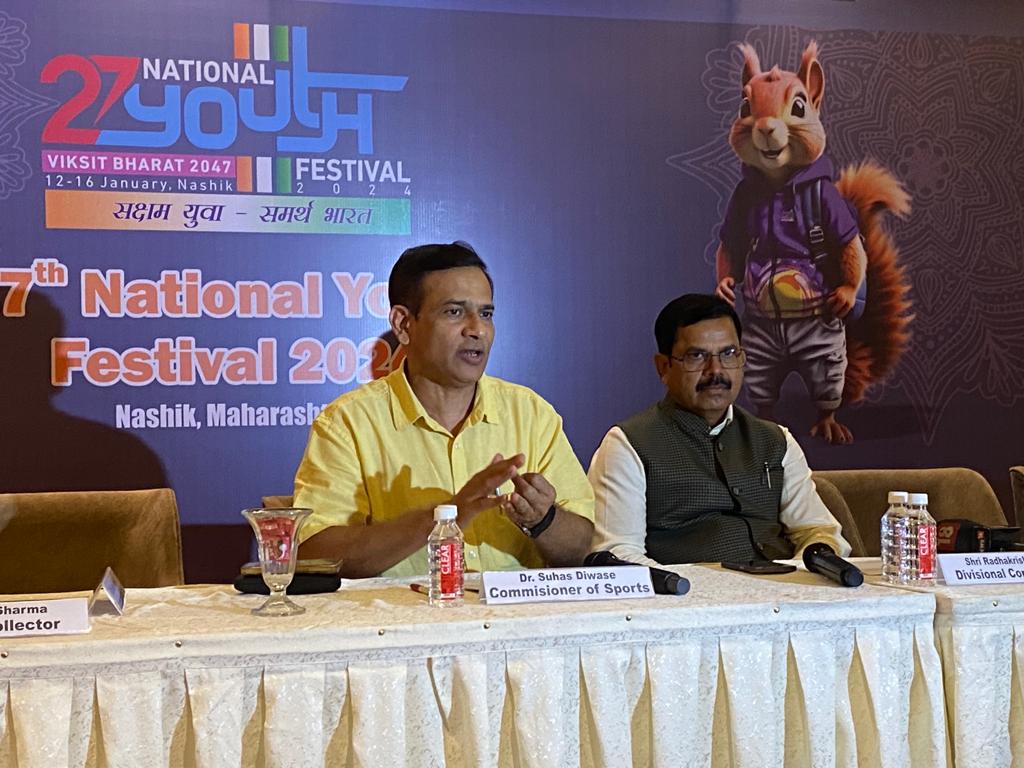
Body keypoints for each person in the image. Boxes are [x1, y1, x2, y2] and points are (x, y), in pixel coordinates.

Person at [294, 241, 594, 577]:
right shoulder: (347, 423)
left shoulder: (531, 414)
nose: (477, 330)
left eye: (486, 314)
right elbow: (315, 554)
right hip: (403, 610)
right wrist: (448, 514)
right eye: (454, 312)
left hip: (511, 610)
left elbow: (582, 546)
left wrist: (543, 520)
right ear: (403, 324)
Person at [588, 293, 849, 566]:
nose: (715, 371)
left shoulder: (776, 440)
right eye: (696, 356)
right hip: (686, 591)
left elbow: (818, 531)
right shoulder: (628, 445)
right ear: (663, 367)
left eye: (728, 354)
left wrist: (802, 570)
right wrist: (684, 586)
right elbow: (619, 555)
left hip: (783, 587)